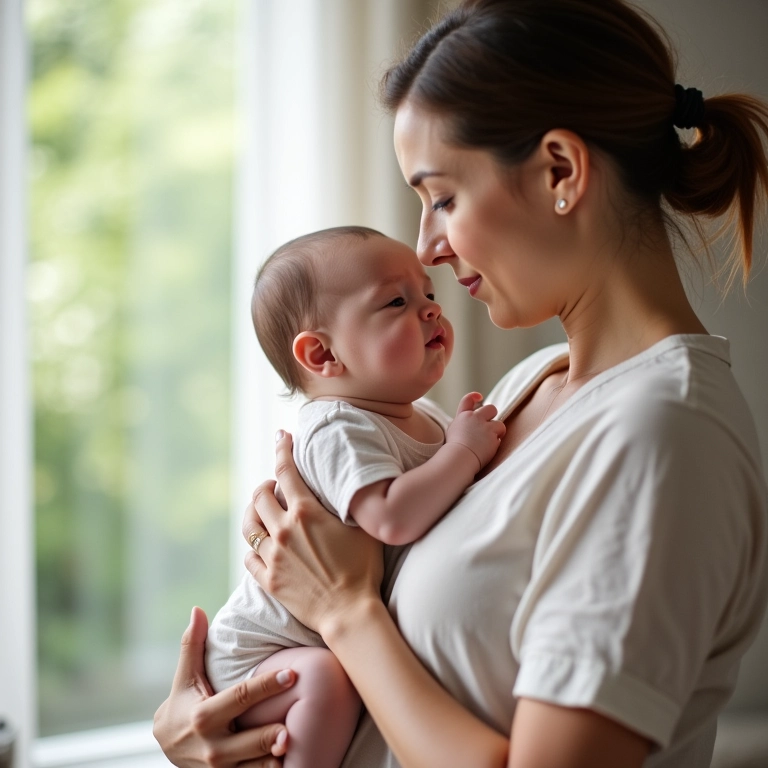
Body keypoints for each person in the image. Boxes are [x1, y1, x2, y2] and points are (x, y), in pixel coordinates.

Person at [153, 0, 768, 766]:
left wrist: (344, 614)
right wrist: (213, 721)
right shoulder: (522, 390)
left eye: (442, 197)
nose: (427, 248)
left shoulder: (661, 432)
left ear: (560, 171)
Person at [204, 226, 504, 768]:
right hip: (258, 656)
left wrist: (457, 444)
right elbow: (389, 516)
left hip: (322, 639)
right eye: (396, 301)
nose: (432, 310)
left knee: (333, 680)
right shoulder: (335, 425)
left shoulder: (425, 417)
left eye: (429, 295)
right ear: (322, 354)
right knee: (323, 681)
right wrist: (465, 452)